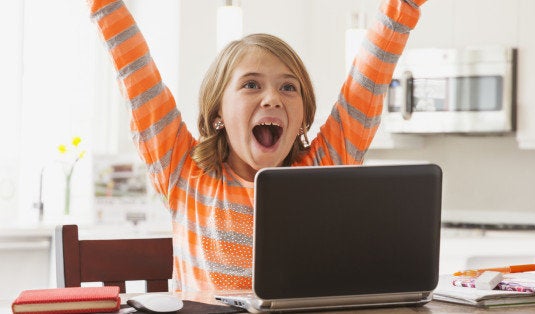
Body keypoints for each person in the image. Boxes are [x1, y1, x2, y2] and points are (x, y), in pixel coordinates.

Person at [86, 0, 426, 291]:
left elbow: (370, 76)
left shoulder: (322, 172)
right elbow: (136, 73)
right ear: (217, 110)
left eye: (288, 88)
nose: (272, 99)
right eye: (251, 85)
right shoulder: (183, 172)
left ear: (303, 119)